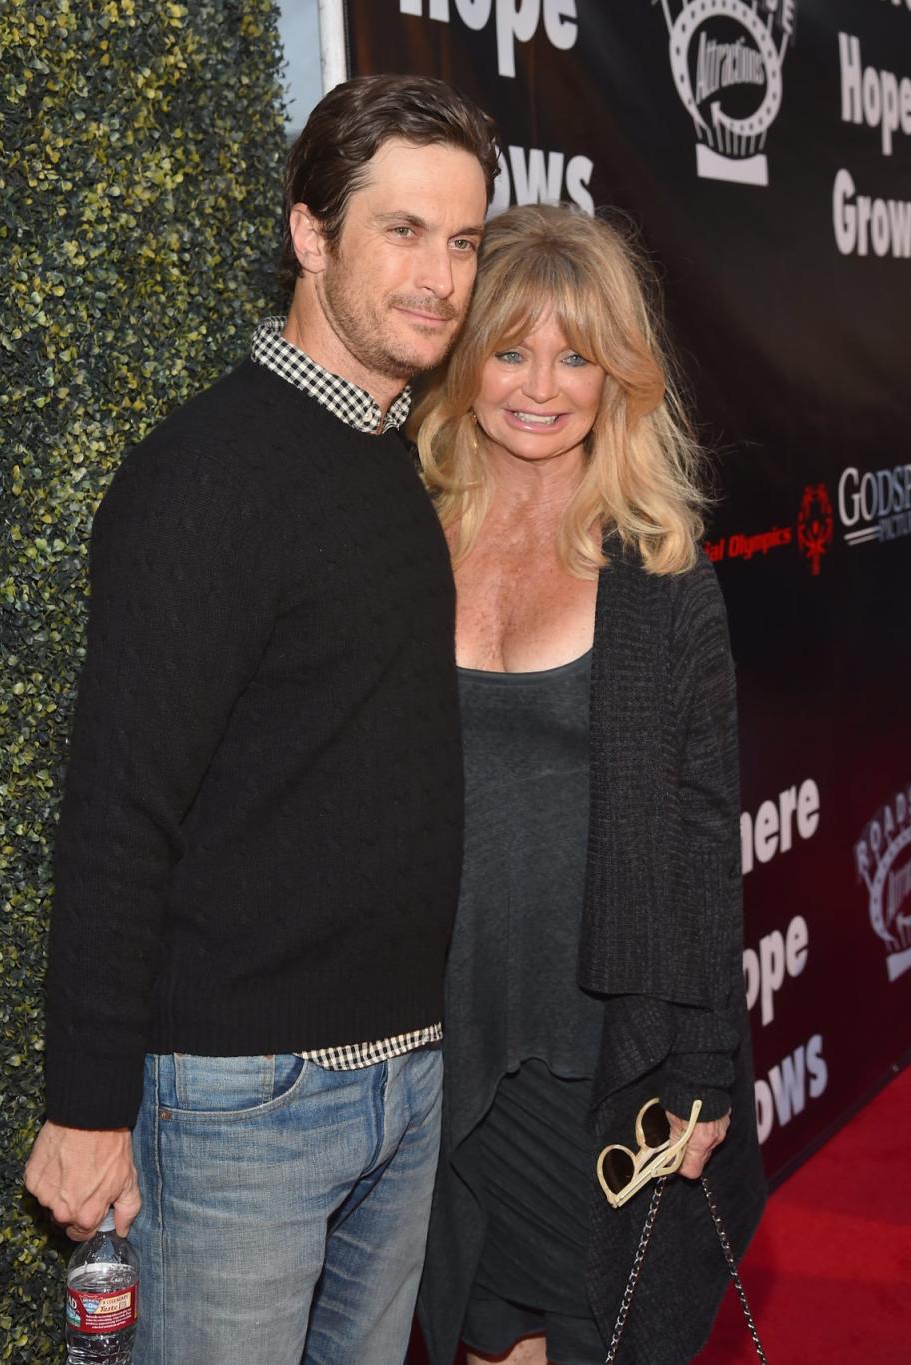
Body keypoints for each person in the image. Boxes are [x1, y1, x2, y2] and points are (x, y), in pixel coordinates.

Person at [24, 74, 498, 1365]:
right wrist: (87, 1105)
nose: (439, 275)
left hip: (404, 1071)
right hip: (246, 1098)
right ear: (309, 233)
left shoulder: (387, 458)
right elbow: (120, 805)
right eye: (402, 230)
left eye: (462, 241)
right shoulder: (208, 474)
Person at [413, 203, 767, 1365]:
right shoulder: (405, 538)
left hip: (608, 1051)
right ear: (465, 358)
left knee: (589, 1330)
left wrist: (707, 1069)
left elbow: (704, 829)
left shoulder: (659, 567)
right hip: (444, 1035)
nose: (541, 385)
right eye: (511, 349)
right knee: (477, 1331)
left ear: (618, 371)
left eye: (575, 355)